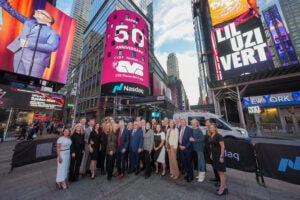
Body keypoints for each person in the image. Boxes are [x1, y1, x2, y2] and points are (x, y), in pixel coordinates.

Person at [0, 0, 60, 78]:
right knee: (17, 81)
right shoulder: (29, 22)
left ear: (49, 20)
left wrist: (29, 44)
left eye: (41, 12)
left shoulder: (53, 34)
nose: (37, 11)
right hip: (19, 56)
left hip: (36, 62)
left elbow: (52, 47)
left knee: (31, 84)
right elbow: (13, 12)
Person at [208, 124, 228, 196]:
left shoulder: (218, 135)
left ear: (215, 128)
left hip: (219, 155)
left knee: (221, 172)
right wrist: (211, 154)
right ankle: (224, 187)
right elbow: (212, 146)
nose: (212, 128)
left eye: (213, 127)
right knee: (219, 172)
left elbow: (223, 147)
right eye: (210, 128)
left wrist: (221, 156)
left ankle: (222, 189)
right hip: (214, 155)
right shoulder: (211, 135)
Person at [205, 119, 220, 184]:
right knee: (213, 165)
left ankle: (220, 180)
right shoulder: (207, 131)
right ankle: (216, 177)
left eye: (207, 122)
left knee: (217, 166)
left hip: (214, 152)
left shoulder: (214, 132)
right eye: (206, 122)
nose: (206, 123)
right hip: (209, 151)